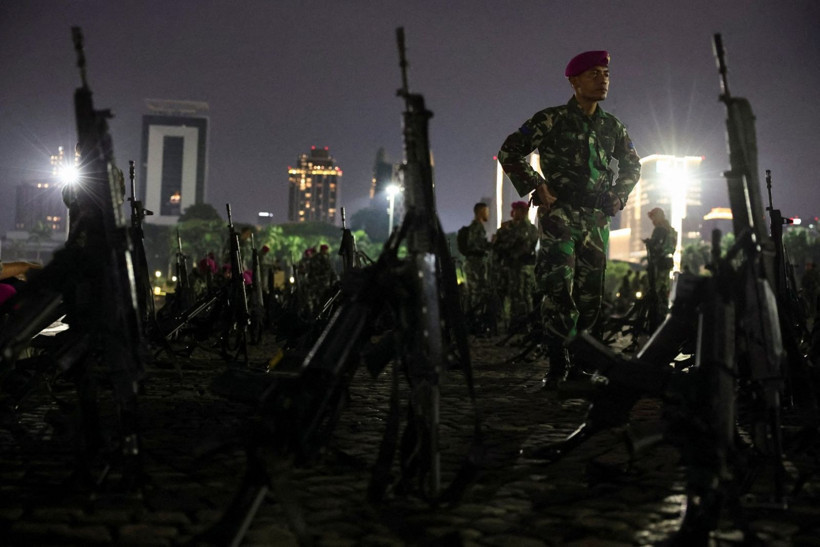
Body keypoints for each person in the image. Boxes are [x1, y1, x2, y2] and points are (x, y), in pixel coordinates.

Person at [497, 50, 641, 389]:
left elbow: (633, 165)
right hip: (559, 215)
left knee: (591, 294)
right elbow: (510, 151)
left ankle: (582, 366)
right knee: (558, 289)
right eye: (593, 73)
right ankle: (557, 364)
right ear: (574, 81)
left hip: (596, 219)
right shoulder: (552, 119)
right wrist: (538, 185)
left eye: (605, 73)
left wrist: (619, 195)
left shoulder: (612, 127)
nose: (603, 78)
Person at [493, 201, 539, 332]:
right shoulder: (512, 228)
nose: (513, 213)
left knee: (522, 295)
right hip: (515, 267)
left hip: (521, 266)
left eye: (517, 210)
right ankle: (517, 323)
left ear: (523, 212)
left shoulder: (524, 229)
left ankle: (521, 324)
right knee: (517, 295)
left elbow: (520, 246)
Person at [643, 207, 677, 329]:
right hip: (668, 263)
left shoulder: (659, 229)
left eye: (653, 217)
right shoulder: (671, 230)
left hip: (659, 264)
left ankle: (654, 321)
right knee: (664, 291)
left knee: (655, 292)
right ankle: (662, 319)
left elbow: (655, 245)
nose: (652, 220)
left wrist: (649, 243)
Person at [460, 202, 493, 326]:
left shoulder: (477, 227)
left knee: (474, 292)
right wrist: (490, 244)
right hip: (475, 264)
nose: (488, 214)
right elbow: (475, 245)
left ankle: (473, 321)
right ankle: (475, 321)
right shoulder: (477, 227)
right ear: (481, 211)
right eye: (486, 211)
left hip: (473, 263)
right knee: (476, 292)